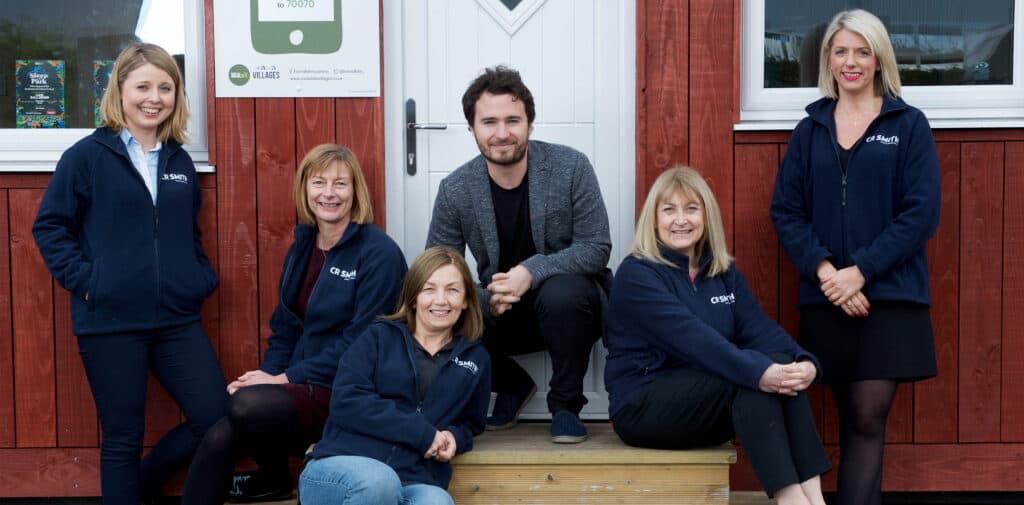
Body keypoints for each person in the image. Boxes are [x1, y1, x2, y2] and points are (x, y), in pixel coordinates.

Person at [31, 42, 227, 505]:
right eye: (142, 86)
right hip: (110, 321)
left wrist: (197, 277)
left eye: (165, 87)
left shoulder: (179, 161)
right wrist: (90, 282)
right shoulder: (86, 157)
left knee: (217, 420)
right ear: (119, 91)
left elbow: (187, 235)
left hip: (177, 319)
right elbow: (50, 227)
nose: (153, 97)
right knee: (122, 437)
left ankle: (142, 484)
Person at [770, 9, 941, 505]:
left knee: (868, 415)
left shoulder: (907, 125)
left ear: (878, 57)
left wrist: (860, 272)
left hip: (889, 297)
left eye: (862, 51)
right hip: (827, 296)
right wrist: (829, 275)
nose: (851, 62)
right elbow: (787, 211)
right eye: (841, 51)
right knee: (843, 416)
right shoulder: (810, 129)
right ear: (828, 59)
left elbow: (921, 212)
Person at [181, 144, 407, 504]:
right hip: (304, 385)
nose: (329, 193)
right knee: (227, 424)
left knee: (244, 408)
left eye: (340, 184)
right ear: (304, 189)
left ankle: (272, 477)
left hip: (351, 390)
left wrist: (282, 380)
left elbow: (364, 342)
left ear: (355, 192)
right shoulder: (302, 247)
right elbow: (285, 327)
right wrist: (266, 377)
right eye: (318, 182)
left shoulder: (378, 253)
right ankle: (272, 479)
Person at [606, 166, 832, 505]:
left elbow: (760, 330)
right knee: (752, 376)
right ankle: (791, 499)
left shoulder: (722, 273)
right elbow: (694, 341)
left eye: (691, 208)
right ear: (653, 220)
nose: (680, 220)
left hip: (705, 404)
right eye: (669, 210)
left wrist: (805, 363)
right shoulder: (637, 274)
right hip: (644, 406)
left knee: (782, 368)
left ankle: (813, 497)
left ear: (706, 215)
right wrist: (759, 372)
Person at [426, 65, 611, 443]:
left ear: (529, 123)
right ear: (472, 128)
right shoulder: (456, 189)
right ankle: (510, 384)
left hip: (568, 311)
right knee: (435, 304)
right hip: (500, 312)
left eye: (513, 120)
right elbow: (437, 267)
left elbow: (596, 247)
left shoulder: (571, 167)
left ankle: (565, 407)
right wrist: (483, 299)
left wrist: (532, 271)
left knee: (565, 292)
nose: (502, 133)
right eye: (489, 122)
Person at [299, 246, 491, 505]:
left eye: (453, 290)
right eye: (429, 289)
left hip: (414, 476)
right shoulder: (378, 337)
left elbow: (471, 423)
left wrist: (455, 437)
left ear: (467, 299)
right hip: (342, 467)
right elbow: (346, 401)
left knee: (437, 502)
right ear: (413, 297)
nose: (441, 300)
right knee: (379, 482)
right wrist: (421, 433)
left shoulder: (476, 358)